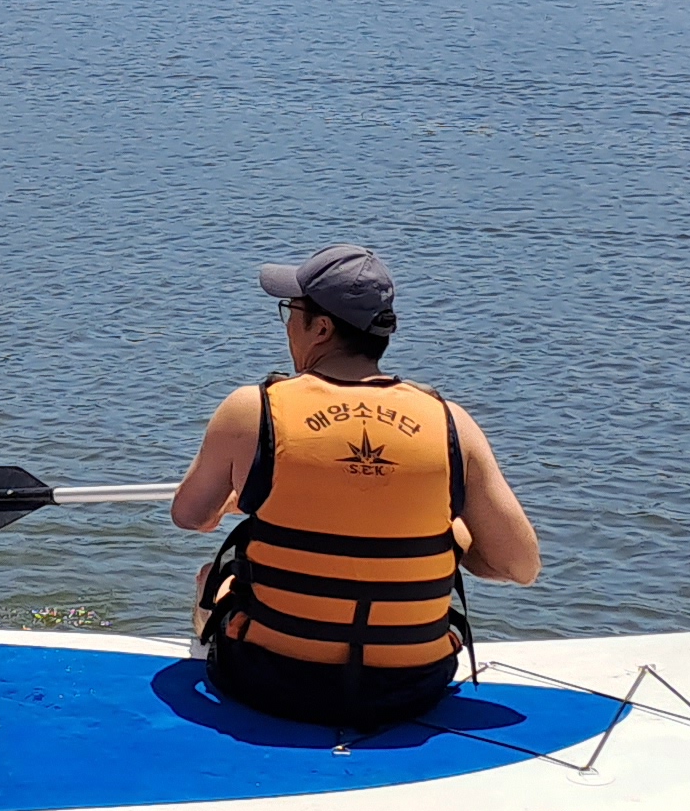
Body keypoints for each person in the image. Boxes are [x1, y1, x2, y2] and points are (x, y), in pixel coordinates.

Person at [169, 244, 540, 731]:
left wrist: (251, 501)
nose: (286, 326)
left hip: (270, 682)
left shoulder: (251, 409)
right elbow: (519, 565)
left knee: (210, 581)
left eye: (291, 312)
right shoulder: (452, 424)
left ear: (321, 328)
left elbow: (191, 515)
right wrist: (446, 531)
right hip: (412, 689)